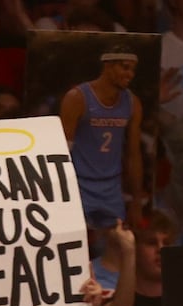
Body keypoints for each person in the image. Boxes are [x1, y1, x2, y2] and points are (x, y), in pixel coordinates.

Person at [59, 48, 142, 227]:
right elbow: (62, 151)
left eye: (133, 70)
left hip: (111, 186)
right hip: (79, 183)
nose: (130, 74)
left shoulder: (132, 102)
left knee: (115, 245)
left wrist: (136, 199)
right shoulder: (77, 98)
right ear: (108, 66)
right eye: (125, 68)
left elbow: (133, 154)